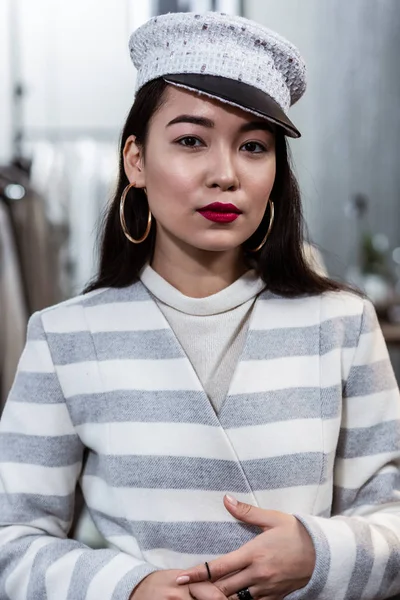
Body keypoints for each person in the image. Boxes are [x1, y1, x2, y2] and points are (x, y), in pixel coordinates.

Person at [0, 9, 399, 600]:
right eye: (191, 140)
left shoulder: (340, 323)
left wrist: (317, 554)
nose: (226, 173)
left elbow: (390, 513)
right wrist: (129, 588)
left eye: (254, 146)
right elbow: (12, 541)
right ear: (135, 160)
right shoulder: (65, 338)